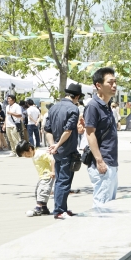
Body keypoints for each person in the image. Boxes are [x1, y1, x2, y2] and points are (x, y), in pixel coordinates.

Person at [44, 83, 81, 219]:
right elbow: (68, 130)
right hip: (67, 149)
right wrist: (58, 145)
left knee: (60, 179)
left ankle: (61, 208)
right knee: (64, 181)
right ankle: (59, 210)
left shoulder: (53, 107)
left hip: (57, 151)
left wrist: (52, 145)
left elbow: (47, 129)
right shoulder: (73, 109)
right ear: (77, 96)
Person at [85, 67, 119, 207]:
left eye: (115, 82)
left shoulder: (107, 105)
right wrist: (99, 160)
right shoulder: (93, 106)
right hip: (102, 162)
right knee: (102, 205)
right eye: (110, 82)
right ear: (98, 85)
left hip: (111, 161)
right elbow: (90, 133)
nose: (114, 85)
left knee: (109, 204)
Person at [16, 140, 55, 216]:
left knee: (42, 191)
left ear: (30, 148)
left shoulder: (40, 153)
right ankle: (44, 208)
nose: (26, 156)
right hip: (42, 177)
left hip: (47, 175)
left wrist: (53, 171)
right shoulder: (34, 154)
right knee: (37, 191)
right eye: (24, 156)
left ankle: (38, 208)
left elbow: (52, 159)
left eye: (26, 154)